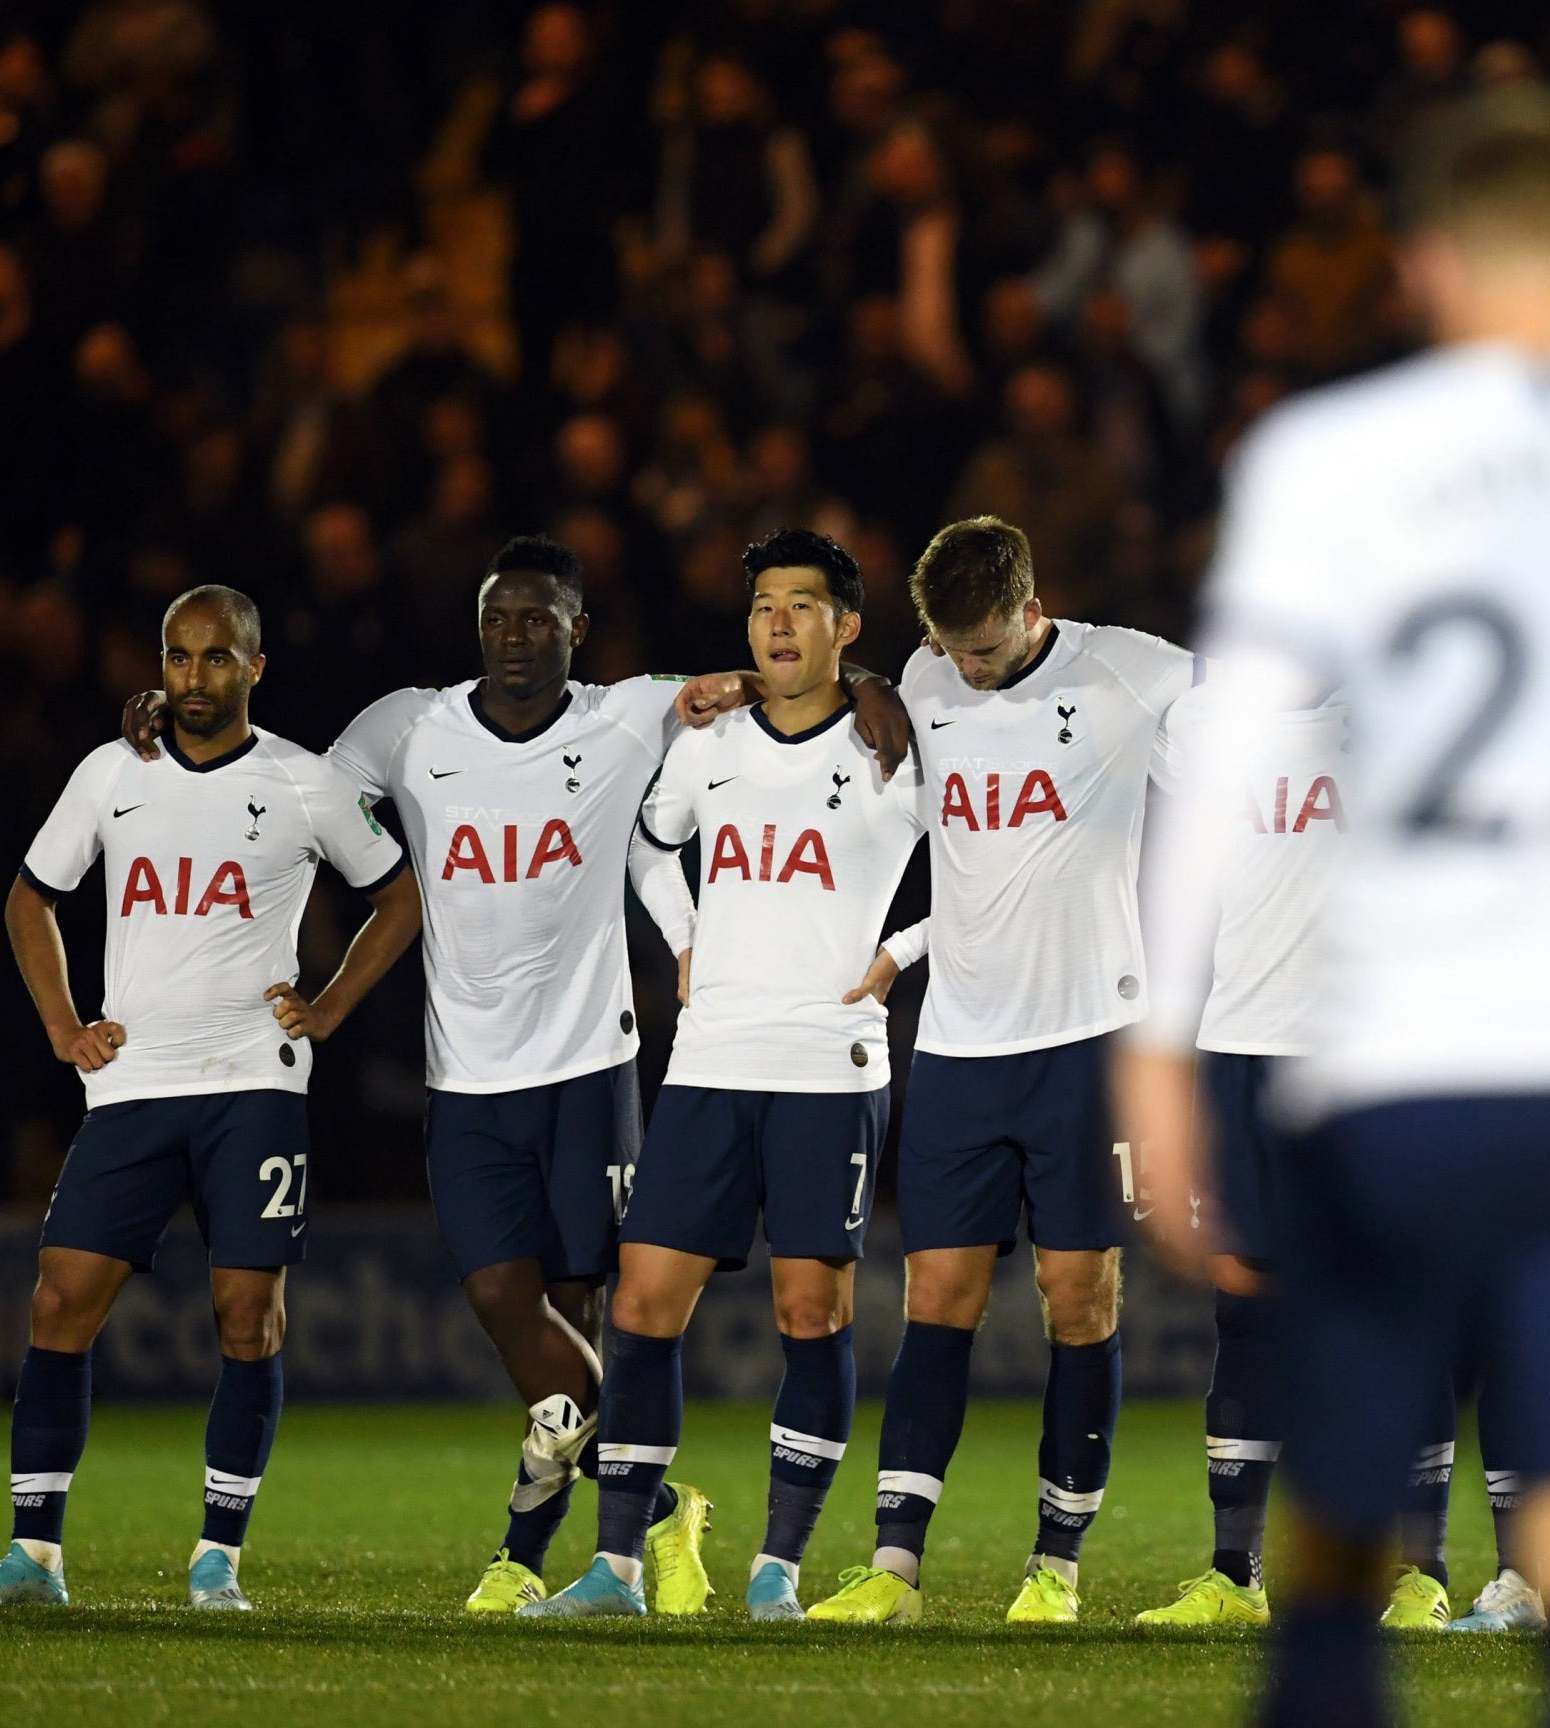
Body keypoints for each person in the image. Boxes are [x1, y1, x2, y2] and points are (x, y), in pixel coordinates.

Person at [1125, 87, 1550, 1728]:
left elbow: (1229, 754)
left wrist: (1156, 1048)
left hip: (1400, 1072)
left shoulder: (1326, 460)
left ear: (1421, 266)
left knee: (1342, 1566)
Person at [118, 536, 908, 1611]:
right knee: (503, 1297)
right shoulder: (407, 727)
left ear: (576, 632)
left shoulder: (626, 713)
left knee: (597, 1302)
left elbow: (768, 680)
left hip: (591, 1066)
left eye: (539, 619)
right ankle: (661, 1504)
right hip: (468, 1071)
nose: (515, 636)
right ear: (476, 625)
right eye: (499, 617)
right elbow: (286, 789)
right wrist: (175, 724)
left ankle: (540, 1553)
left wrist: (865, 684)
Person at [519, 530, 925, 1618]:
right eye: (762, 608)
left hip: (828, 1066)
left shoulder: (898, 746)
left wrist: (899, 954)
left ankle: (779, 1569)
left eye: (802, 606)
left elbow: (990, 869)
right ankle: (616, 1566)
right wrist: (686, 938)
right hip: (708, 1062)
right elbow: (650, 846)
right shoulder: (708, 744)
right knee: (642, 1303)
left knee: (810, 1310)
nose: (778, 623)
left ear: (845, 627)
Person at [805, 515, 1196, 1629]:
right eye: (948, 650)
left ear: (1032, 609)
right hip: (962, 1047)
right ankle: (894, 1566)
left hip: (1088, 1044)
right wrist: (877, 672)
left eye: (984, 649)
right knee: (937, 1299)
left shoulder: (1133, 673)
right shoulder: (925, 677)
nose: (966, 671)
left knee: (1077, 1298)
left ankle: (1056, 1569)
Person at [1, 586, 419, 1609]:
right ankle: (33, 1550)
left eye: (217, 659)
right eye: (179, 659)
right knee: (60, 1300)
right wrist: (63, 1027)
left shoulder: (303, 782)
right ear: (161, 664)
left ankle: (217, 1556)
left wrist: (324, 1009)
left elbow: (400, 894)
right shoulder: (112, 772)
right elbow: (30, 898)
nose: (195, 678)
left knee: (248, 1319)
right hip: (133, 1082)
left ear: (255, 667)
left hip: (253, 1087)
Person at [1131, 692, 1346, 1632]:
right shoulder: (1203, 718)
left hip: (1362, 1049)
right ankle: (1233, 1572)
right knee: (1242, 1301)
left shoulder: (1398, 699)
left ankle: (1413, 1577)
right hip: (1237, 1042)